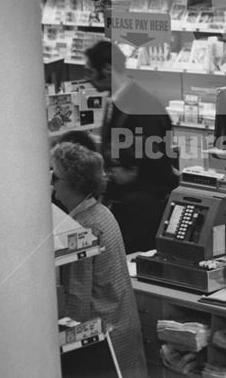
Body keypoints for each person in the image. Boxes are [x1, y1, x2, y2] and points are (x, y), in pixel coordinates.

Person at [50, 142, 147, 377]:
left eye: (56, 177)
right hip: (122, 324)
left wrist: (65, 346)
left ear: (73, 183)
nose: (52, 182)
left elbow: (77, 298)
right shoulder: (102, 213)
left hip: (103, 336)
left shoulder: (80, 228)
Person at [84, 40, 177, 201]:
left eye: (90, 72)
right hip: (124, 197)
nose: (87, 79)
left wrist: (128, 169)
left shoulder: (143, 105)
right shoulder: (116, 100)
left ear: (107, 69)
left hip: (142, 202)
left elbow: (156, 154)